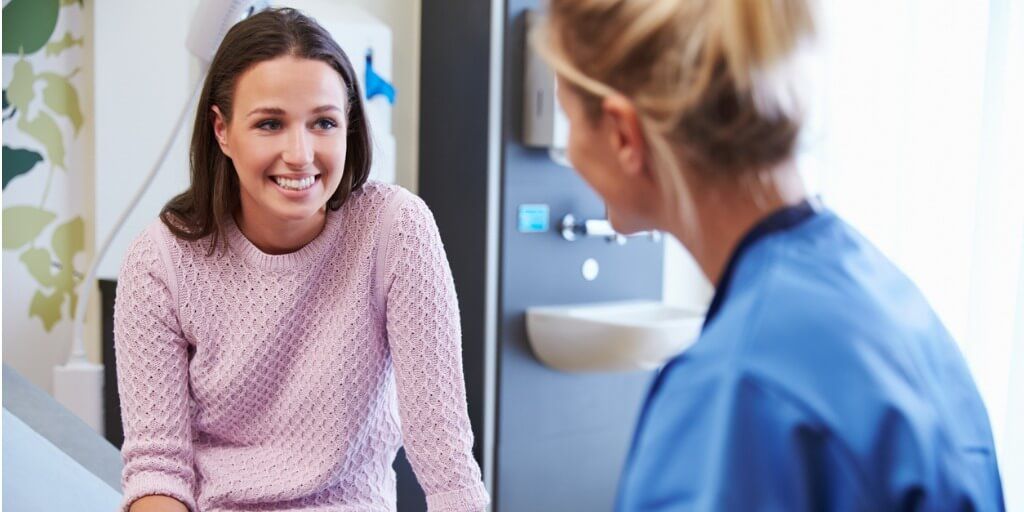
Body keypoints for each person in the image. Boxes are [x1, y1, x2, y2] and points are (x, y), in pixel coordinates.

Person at [537, 0, 1005, 509]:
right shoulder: (888, 300)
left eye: (568, 120)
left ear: (624, 135)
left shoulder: (738, 388)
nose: (571, 154)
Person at [114, 8, 488, 512]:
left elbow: (446, 463)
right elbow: (157, 469)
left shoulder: (394, 229)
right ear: (222, 130)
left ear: (349, 126)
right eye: (270, 123)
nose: (300, 153)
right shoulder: (160, 260)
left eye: (323, 123)